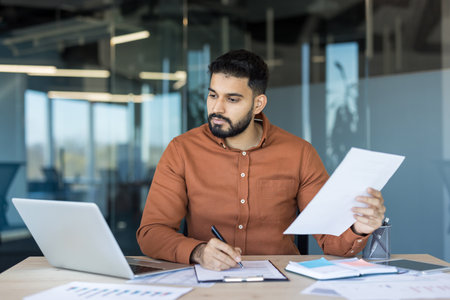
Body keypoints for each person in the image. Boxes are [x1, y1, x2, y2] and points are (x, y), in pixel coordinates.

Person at [137, 49, 386, 271]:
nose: (217, 109)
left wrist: (359, 228)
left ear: (258, 103)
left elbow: (334, 244)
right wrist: (198, 252)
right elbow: (151, 233)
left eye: (232, 99)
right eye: (213, 95)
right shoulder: (182, 150)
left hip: (284, 285)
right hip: (209, 283)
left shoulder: (299, 154)